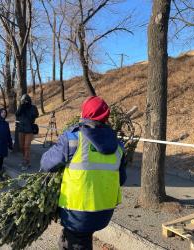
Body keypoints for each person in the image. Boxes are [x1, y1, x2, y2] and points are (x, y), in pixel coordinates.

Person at [40, 96, 127, 250]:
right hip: (104, 211)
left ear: (85, 114)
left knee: (78, 243)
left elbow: (46, 164)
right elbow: (121, 179)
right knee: (76, 239)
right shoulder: (118, 146)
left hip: (77, 212)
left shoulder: (73, 138)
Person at [15, 94, 39, 171]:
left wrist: (28, 109)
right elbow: (17, 114)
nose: (25, 102)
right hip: (21, 129)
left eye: (26, 100)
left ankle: (25, 162)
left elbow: (36, 115)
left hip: (29, 130)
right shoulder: (21, 107)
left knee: (26, 147)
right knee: (22, 147)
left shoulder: (33, 107)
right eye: (23, 100)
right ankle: (26, 160)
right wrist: (22, 107)